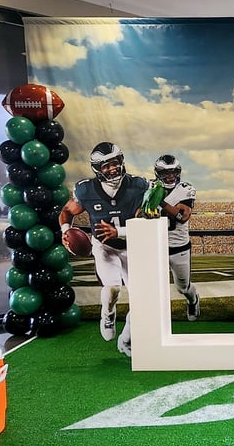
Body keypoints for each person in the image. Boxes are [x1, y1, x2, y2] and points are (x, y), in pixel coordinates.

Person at [59, 142, 148, 356]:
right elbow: (66, 212)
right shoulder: (86, 190)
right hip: (104, 247)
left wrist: (119, 232)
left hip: (132, 246)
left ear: (121, 162)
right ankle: (108, 314)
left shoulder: (138, 186)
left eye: (115, 163)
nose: (112, 168)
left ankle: (126, 341)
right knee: (112, 288)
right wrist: (65, 231)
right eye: (106, 166)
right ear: (97, 169)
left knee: (142, 301)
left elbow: (144, 221)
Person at [149, 154, 200, 321]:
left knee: (182, 288)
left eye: (173, 172)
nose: (171, 176)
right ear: (158, 173)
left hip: (179, 247)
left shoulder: (185, 189)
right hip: (156, 245)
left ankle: (193, 300)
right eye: (166, 173)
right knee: (152, 285)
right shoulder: (149, 187)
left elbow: (182, 216)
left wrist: (159, 201)